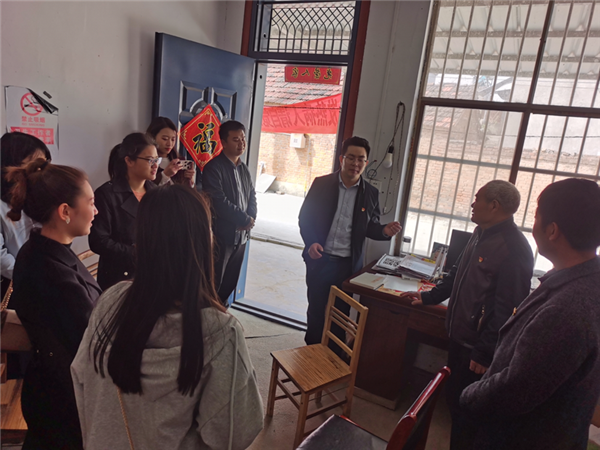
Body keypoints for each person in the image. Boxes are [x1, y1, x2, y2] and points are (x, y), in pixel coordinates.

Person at [72, 184, 264, 449]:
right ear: (202, 241)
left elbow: (81, 380)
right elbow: (236, 432)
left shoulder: (110, 301)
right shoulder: (221, 332)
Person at [460, 178, 600, 450]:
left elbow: (515, 389)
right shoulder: (580, 280)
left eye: (536, 217)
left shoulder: (567, 309)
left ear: (552, 230)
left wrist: (470, 394)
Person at [401, 180, 534, 450]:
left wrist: (484, 352)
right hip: (459, 337)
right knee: (454, 402)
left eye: (477, 199)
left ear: (494, 206)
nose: (473, 204)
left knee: (467, 413)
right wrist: (429, 297)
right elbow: (456, 274)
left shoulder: (514, 248)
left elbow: (509, 308)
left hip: (476, 349)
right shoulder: (480, 232)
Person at [7, 159, 101, 449]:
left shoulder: (45, 251)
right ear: (65, 212)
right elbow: (91, 336)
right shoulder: (50, 271)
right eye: (91, 202)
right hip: (61, 400)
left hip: (55, 389)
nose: (96, 211)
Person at [298, 136, 402, 350]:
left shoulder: (371, 193)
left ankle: (333, 355)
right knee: (316, 309)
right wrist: (311, 242)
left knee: (340, 313)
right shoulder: (322, 184)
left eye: (361, 159)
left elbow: (370, 226)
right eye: (351, 158)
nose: (356, 163)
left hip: (347, 266)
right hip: (321, 260)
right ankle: (311, 352)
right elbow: (305, 218)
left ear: (366, 162)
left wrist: (384, 231)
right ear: (341, 159)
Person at [89, 133, 158, 290]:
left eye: (157, 160)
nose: (155, 165)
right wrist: (135, 252)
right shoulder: (107, 194)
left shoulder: (155, 192)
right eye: (150, 160)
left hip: (151, 272)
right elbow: (98, 241)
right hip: (118, 277)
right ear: (129, 161)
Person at [202, 120, 257, 305]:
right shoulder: (213, 168)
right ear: (223, 142)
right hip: (222, 236)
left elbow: (251, 196)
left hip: (241, 237)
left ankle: (222, 313)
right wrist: (243, 218)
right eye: (235, 139)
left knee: (230, 282)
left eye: (243, 138)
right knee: (214, 282)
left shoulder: (244, 168)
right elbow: (218, 201)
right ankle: (209, 314)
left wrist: (251, 218)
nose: (241, 143)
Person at [0, 132, 52, 299]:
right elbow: (1, 258)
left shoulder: (38, 194)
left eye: (44, 164)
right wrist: (29, 276)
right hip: (12, 286)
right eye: (34, 164)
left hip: (43, 278)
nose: (41, 171)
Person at [146, 116, 195, 187]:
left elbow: (186, 191)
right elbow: (145, 188)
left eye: (173, 139)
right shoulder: (147, 162)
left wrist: (190, 181)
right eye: (165, 139)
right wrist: (165, 175)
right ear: (153, 137)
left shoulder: (179, 162)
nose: (169, 144)